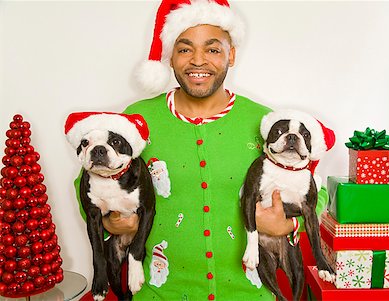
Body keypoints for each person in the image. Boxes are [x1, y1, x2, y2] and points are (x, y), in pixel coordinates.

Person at [75, 0, 329, 300]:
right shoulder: (138, 119)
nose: (198, 61)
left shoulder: (266, 123)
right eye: (184, 49)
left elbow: (315, 187)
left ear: (230, 54)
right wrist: (109, 222)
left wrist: (289, 223)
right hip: (159, 293)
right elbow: (86, 182)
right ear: (170, 56)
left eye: (212, 49)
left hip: (248, 294)